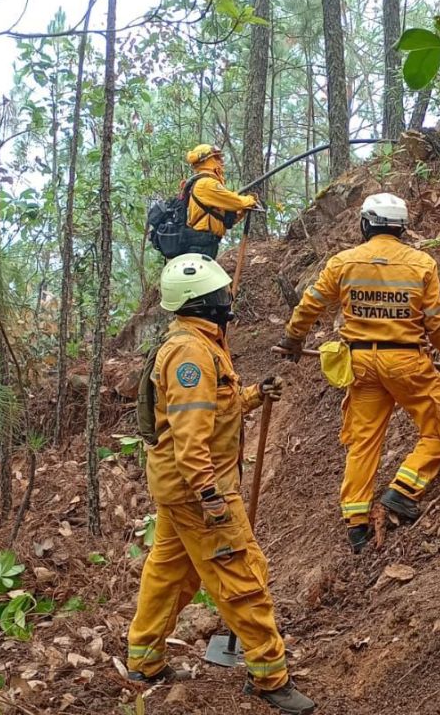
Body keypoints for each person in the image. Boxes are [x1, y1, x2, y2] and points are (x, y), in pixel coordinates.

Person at [127, 254, 315, 714]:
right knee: (241, 575)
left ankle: (144, 659)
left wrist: (252, 397)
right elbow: (192, 437)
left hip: (178, 490)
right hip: (199, 491)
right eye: (221, 294)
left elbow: (212, 412)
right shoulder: (190, 353)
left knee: (170, 573)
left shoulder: (199, 343)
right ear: (203, 301)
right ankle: (270, 674)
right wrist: (211, 496)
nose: (228, 299)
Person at [278, 193, 440, 553]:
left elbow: (312, 303)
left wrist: (293, 339)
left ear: (365, 224)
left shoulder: (344, 262)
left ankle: (356, 524)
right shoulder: (421, 264)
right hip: (406, 364)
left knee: (363, 441)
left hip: (362, 366)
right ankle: (401, 491)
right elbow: (436, 321)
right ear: (402, 227)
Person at [183, 143, 258, 252]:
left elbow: (225, 218)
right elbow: (236, 202)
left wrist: (242, 211)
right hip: (201, 242)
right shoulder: (206, 184)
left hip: (207, 241)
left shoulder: (206, 183)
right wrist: (250, 200)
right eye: (217, 158)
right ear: (206, 160)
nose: (221, 162)